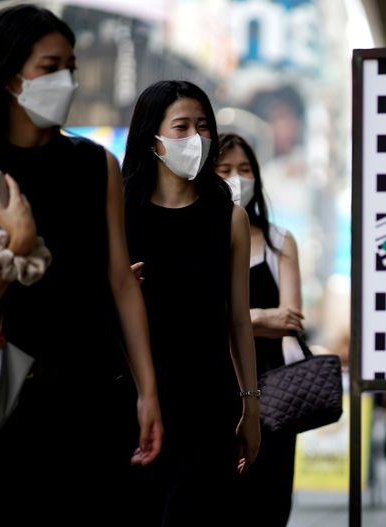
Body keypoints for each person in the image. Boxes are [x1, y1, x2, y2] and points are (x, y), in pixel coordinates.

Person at [0, 4, 162, 526]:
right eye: (50, 67)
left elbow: (120, 283)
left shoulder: (96, 165)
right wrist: (14, 250)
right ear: (9, 77)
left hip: (91, 404)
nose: (65, 79)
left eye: (71, 66)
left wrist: (148, 391)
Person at [122, 81, 261, 524]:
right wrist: (115, 288)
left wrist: (251, 406)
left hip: (208, 401)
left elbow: (238, 320)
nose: (196, 138)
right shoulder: (119, 211)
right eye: (181, 127)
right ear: (152, 138)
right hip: (133, 398)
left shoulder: (228, 217)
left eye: (203, 127)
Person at [216, 132, 304, 526]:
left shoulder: (279, 241)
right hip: (216, 384)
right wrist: (260, 318)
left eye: (245, 169)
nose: (237, 178)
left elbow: (291, 320)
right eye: (225, 169)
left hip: (275, 392)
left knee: (270, 499)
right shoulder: (202, 240)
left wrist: (235, 319)